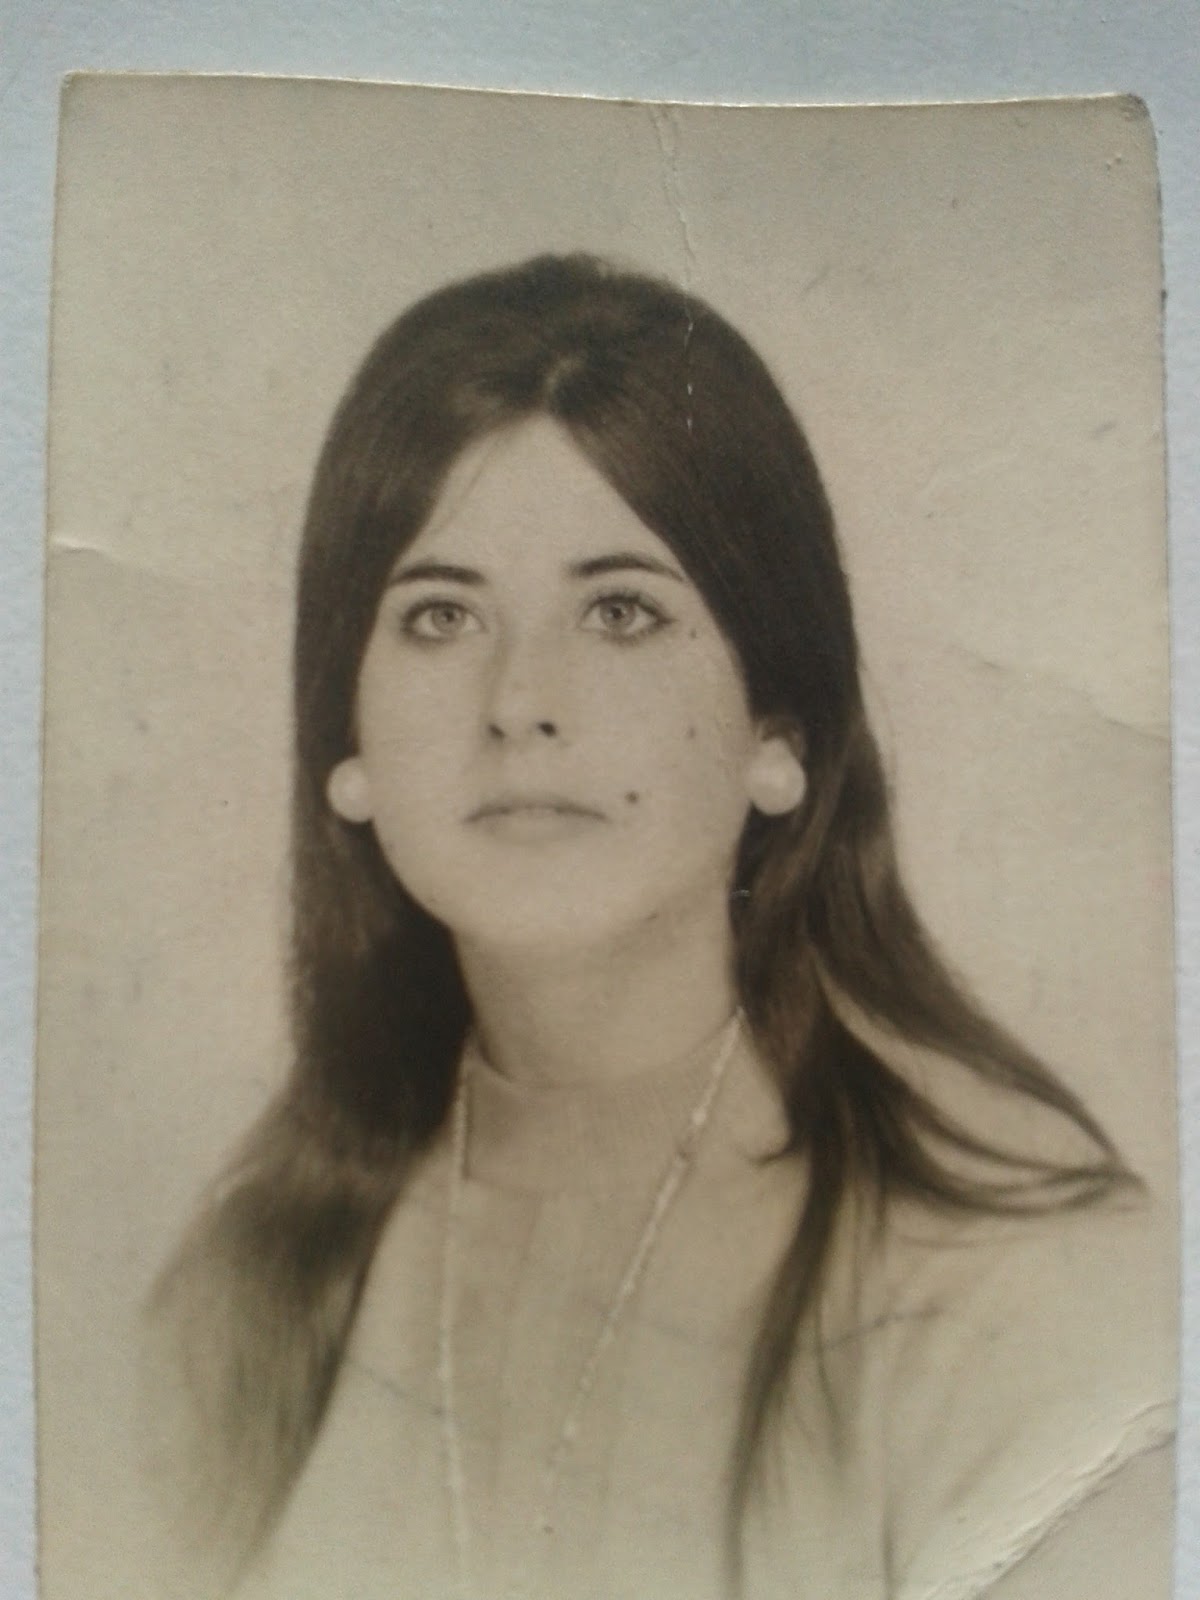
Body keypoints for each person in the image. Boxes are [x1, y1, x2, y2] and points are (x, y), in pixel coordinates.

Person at [145, 253, 1175, 1600]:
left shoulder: (1010, 1292)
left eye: (621, 611)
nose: (521, 701)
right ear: (350, 748)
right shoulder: (247, 1293)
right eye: (441, 615)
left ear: (776, 736)